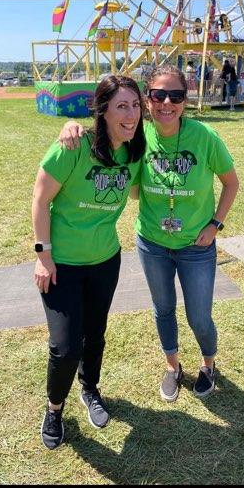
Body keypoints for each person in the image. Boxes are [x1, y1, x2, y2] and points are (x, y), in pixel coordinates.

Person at [57, 64, 239, 408]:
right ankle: (173, 366)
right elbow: (104, 140)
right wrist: (72, 127)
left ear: (186, 100)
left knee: (199, 315)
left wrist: (215, 223)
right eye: (158, 95)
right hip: (153, 243)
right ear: (147, 99)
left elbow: (231, 183)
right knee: (163, 309)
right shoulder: (137, 136)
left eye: (176, 95)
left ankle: (208, 365)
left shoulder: (205, 137)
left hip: (196, 247)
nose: (166, 103)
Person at [32, 74, 145, 449]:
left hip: (105, 260)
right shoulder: (72, 147)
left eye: (135, 105)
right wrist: (43, 256)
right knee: (65, 347)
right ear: (102, 111)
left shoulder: (134, 152)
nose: (131, 115)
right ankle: (54, 408)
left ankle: (90, 389)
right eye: (121, 106)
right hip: (61, 264)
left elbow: (139, 191)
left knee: (95, 333)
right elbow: (40, 199)